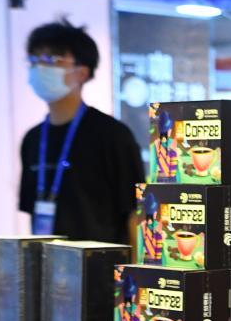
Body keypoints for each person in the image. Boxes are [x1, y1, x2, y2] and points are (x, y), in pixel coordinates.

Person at [19, 19, 144, 243]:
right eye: (34, 60)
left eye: (52, 59)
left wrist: (136, 264)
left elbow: (135, 213)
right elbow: (32, 210)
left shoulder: (113, 135)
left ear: (82, 72)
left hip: (103, 262)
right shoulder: (32, 140)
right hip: (48, 260)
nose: (40, 68)